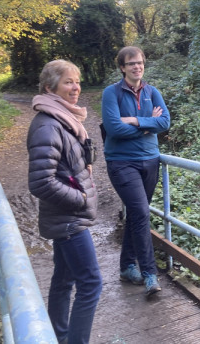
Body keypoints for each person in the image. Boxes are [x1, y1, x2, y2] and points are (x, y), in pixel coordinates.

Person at [27, 60, 102, 344]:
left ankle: (58, 335)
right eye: (68, 82)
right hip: (69, 218)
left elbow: (64, 165)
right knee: (91, 284)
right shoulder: (48, 125)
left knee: (64, 279)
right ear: (50, 87)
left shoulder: (63, 118)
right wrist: (81, 198)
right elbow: (40, 182)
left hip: (65, 217)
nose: (76, 88)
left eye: (77, 81)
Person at [101, 46, 170, 296]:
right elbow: (113, 128)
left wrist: (134, 120)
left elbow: (165, 122)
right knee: (141, 212)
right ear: (122, 67)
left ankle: (127, 266)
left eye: (140, 62)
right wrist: (145, 126)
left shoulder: (153, 92)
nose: (137, 67)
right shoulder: (111, 93)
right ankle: (150, 273)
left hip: (150, 160)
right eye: (131, 64)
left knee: (137, 215)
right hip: (122, 162)